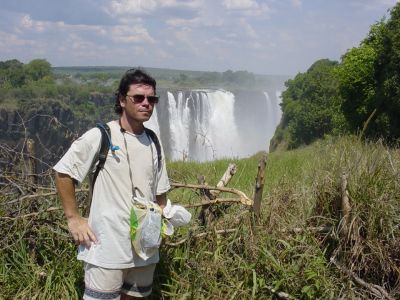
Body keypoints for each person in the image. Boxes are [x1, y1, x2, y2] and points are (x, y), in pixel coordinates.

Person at [54, 69, 170, 299]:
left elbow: (160, 193)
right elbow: (64, 172)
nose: (146, 103)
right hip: (107, 245)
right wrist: (74, 219)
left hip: (145, 249)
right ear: (121, 100)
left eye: (152, 99)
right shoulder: (102, 136)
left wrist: (165, 222)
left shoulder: (154, 140)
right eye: (138, 98)